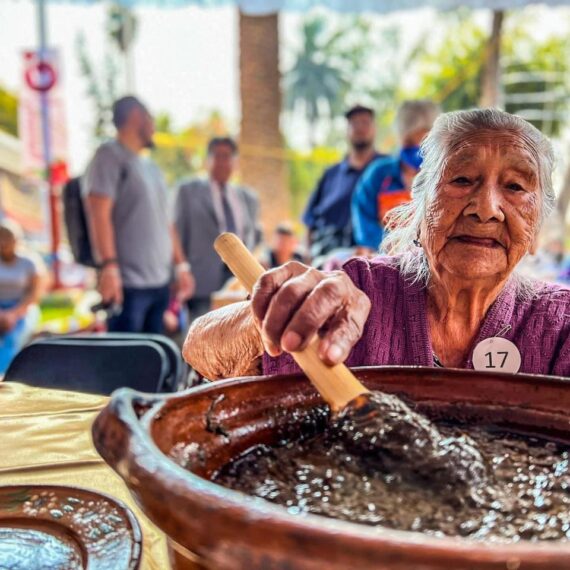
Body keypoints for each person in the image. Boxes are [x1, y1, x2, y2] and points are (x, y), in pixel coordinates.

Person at [183, 109, 570, 380]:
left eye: (515, 187)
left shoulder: (559, 325)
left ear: (535, 229)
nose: (486, 209)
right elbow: (198, 349)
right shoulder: (358, 291)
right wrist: (270, 317)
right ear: (419, 212)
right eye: (462, 180)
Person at [83, 96, 194, 334]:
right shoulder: (109, 156)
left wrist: (181, 266)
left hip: (160, 285)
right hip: (127, 286)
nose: (154, 126)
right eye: (151, 118)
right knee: (126, 364)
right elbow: (98, 213)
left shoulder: (152, 168)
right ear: (136, 116)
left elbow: (167, 223)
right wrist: (109, 268)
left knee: (154, 362)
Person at [175, 137, 262, 321]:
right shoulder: (188, 192)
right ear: (208, 160)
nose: (223, 161)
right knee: (200, 337)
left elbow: (254, 235)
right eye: (218, 156)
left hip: (240, 281)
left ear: (235, 161)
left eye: (227, 156)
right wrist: (180, 269)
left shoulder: (248, 198)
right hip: (201, 281)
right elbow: (177, 232)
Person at [352, 100, 440, 253]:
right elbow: (364, 224)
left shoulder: (443, 176)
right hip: (382, 255)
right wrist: (390, 246)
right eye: (409, 142)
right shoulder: (378, 175)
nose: (416, 148)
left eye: (423, 141)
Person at [303, 105, 384, 258]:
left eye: (365, 122)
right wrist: (308, 257)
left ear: (375, 128)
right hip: (328, 254)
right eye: (354, 123)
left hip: (377, 254)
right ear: (347, 130)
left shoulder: (389, 170)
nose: (360, 128)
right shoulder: (331, 175)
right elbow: (310, 222)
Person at [0, 220, 43, 373]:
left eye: (7, 239)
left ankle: (4, 374)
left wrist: (13, 314)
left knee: (12, 338)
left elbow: (34, 294)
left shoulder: (29, 262)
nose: (3, 244)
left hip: (22, 308)